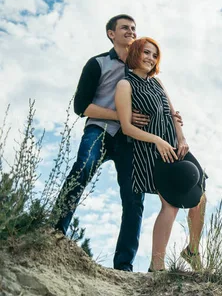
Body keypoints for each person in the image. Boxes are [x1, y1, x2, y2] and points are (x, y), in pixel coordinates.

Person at [53, 14, 181, 272]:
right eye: (125, 28)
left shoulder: (141, 68)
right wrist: (121, 117)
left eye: (134, 28)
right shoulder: (98, 63)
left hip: (129, 141)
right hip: (99, 131)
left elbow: (156, 101)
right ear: (111, 33)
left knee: (134, 199)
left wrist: (169, 116)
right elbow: (81, 107)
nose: (131, 31)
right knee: (82, 169)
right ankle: (54, 232)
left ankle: (124, 265)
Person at [114, 37, 208, 272]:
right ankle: (157, 266)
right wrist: (157, 141)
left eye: (154, 55)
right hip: (150, 149)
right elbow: (126, 127)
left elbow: (172, 112)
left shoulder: (157, 83)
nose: (150, 58)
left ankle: (192, 250)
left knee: (200, 197)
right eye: (146, 52)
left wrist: (181, 137)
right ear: (136, 53)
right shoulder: (125, 85)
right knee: (171, 205)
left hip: (175, 146)